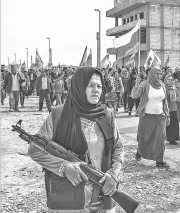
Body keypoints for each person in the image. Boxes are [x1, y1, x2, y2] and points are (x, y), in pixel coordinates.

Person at [28, 67, 124, 213]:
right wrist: (64, 167)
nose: (96, 90)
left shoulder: (107, 116)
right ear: (79, 86)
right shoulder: (57, 116)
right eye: (90, 85)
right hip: (69, 199)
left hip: (103, 198)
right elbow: (35, 149)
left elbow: (118, 146)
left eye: (99, 86)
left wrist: (114, 173)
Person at [132, 66, 170, 168]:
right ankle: (140, 151)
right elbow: (134, 95)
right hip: (147, 116)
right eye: (156, 74)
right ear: (151, 74)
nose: (158, 76)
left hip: (161, 116)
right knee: (144, 138)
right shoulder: (144, 84)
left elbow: (165, 102)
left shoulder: (162, 85)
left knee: (161, 139)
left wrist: (167, 115)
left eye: (160, 74)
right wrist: (137, 84)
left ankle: (159, 161)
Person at [164, 74, 180, 145]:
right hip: (167, 109)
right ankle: (169, 138)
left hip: (174, 108)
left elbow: (178, 97)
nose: (170, 81)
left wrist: (176, 98)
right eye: (168, 79)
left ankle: (173, 139)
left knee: (175, 124)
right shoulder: (164, 88)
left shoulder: (174, 88)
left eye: (171, 79)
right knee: (168, 124)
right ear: (165, 80)